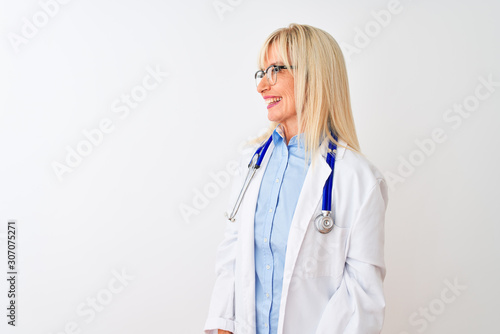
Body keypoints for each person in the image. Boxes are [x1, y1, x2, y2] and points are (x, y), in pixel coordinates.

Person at [204, 23, 389, 334]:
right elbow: (232, 255)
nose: (262, 85)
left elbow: (362, 295)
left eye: (275, 70)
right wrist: (222, 326)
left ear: (313, 76)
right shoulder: (251, 163)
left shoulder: (358, 179)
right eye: (261, 73)